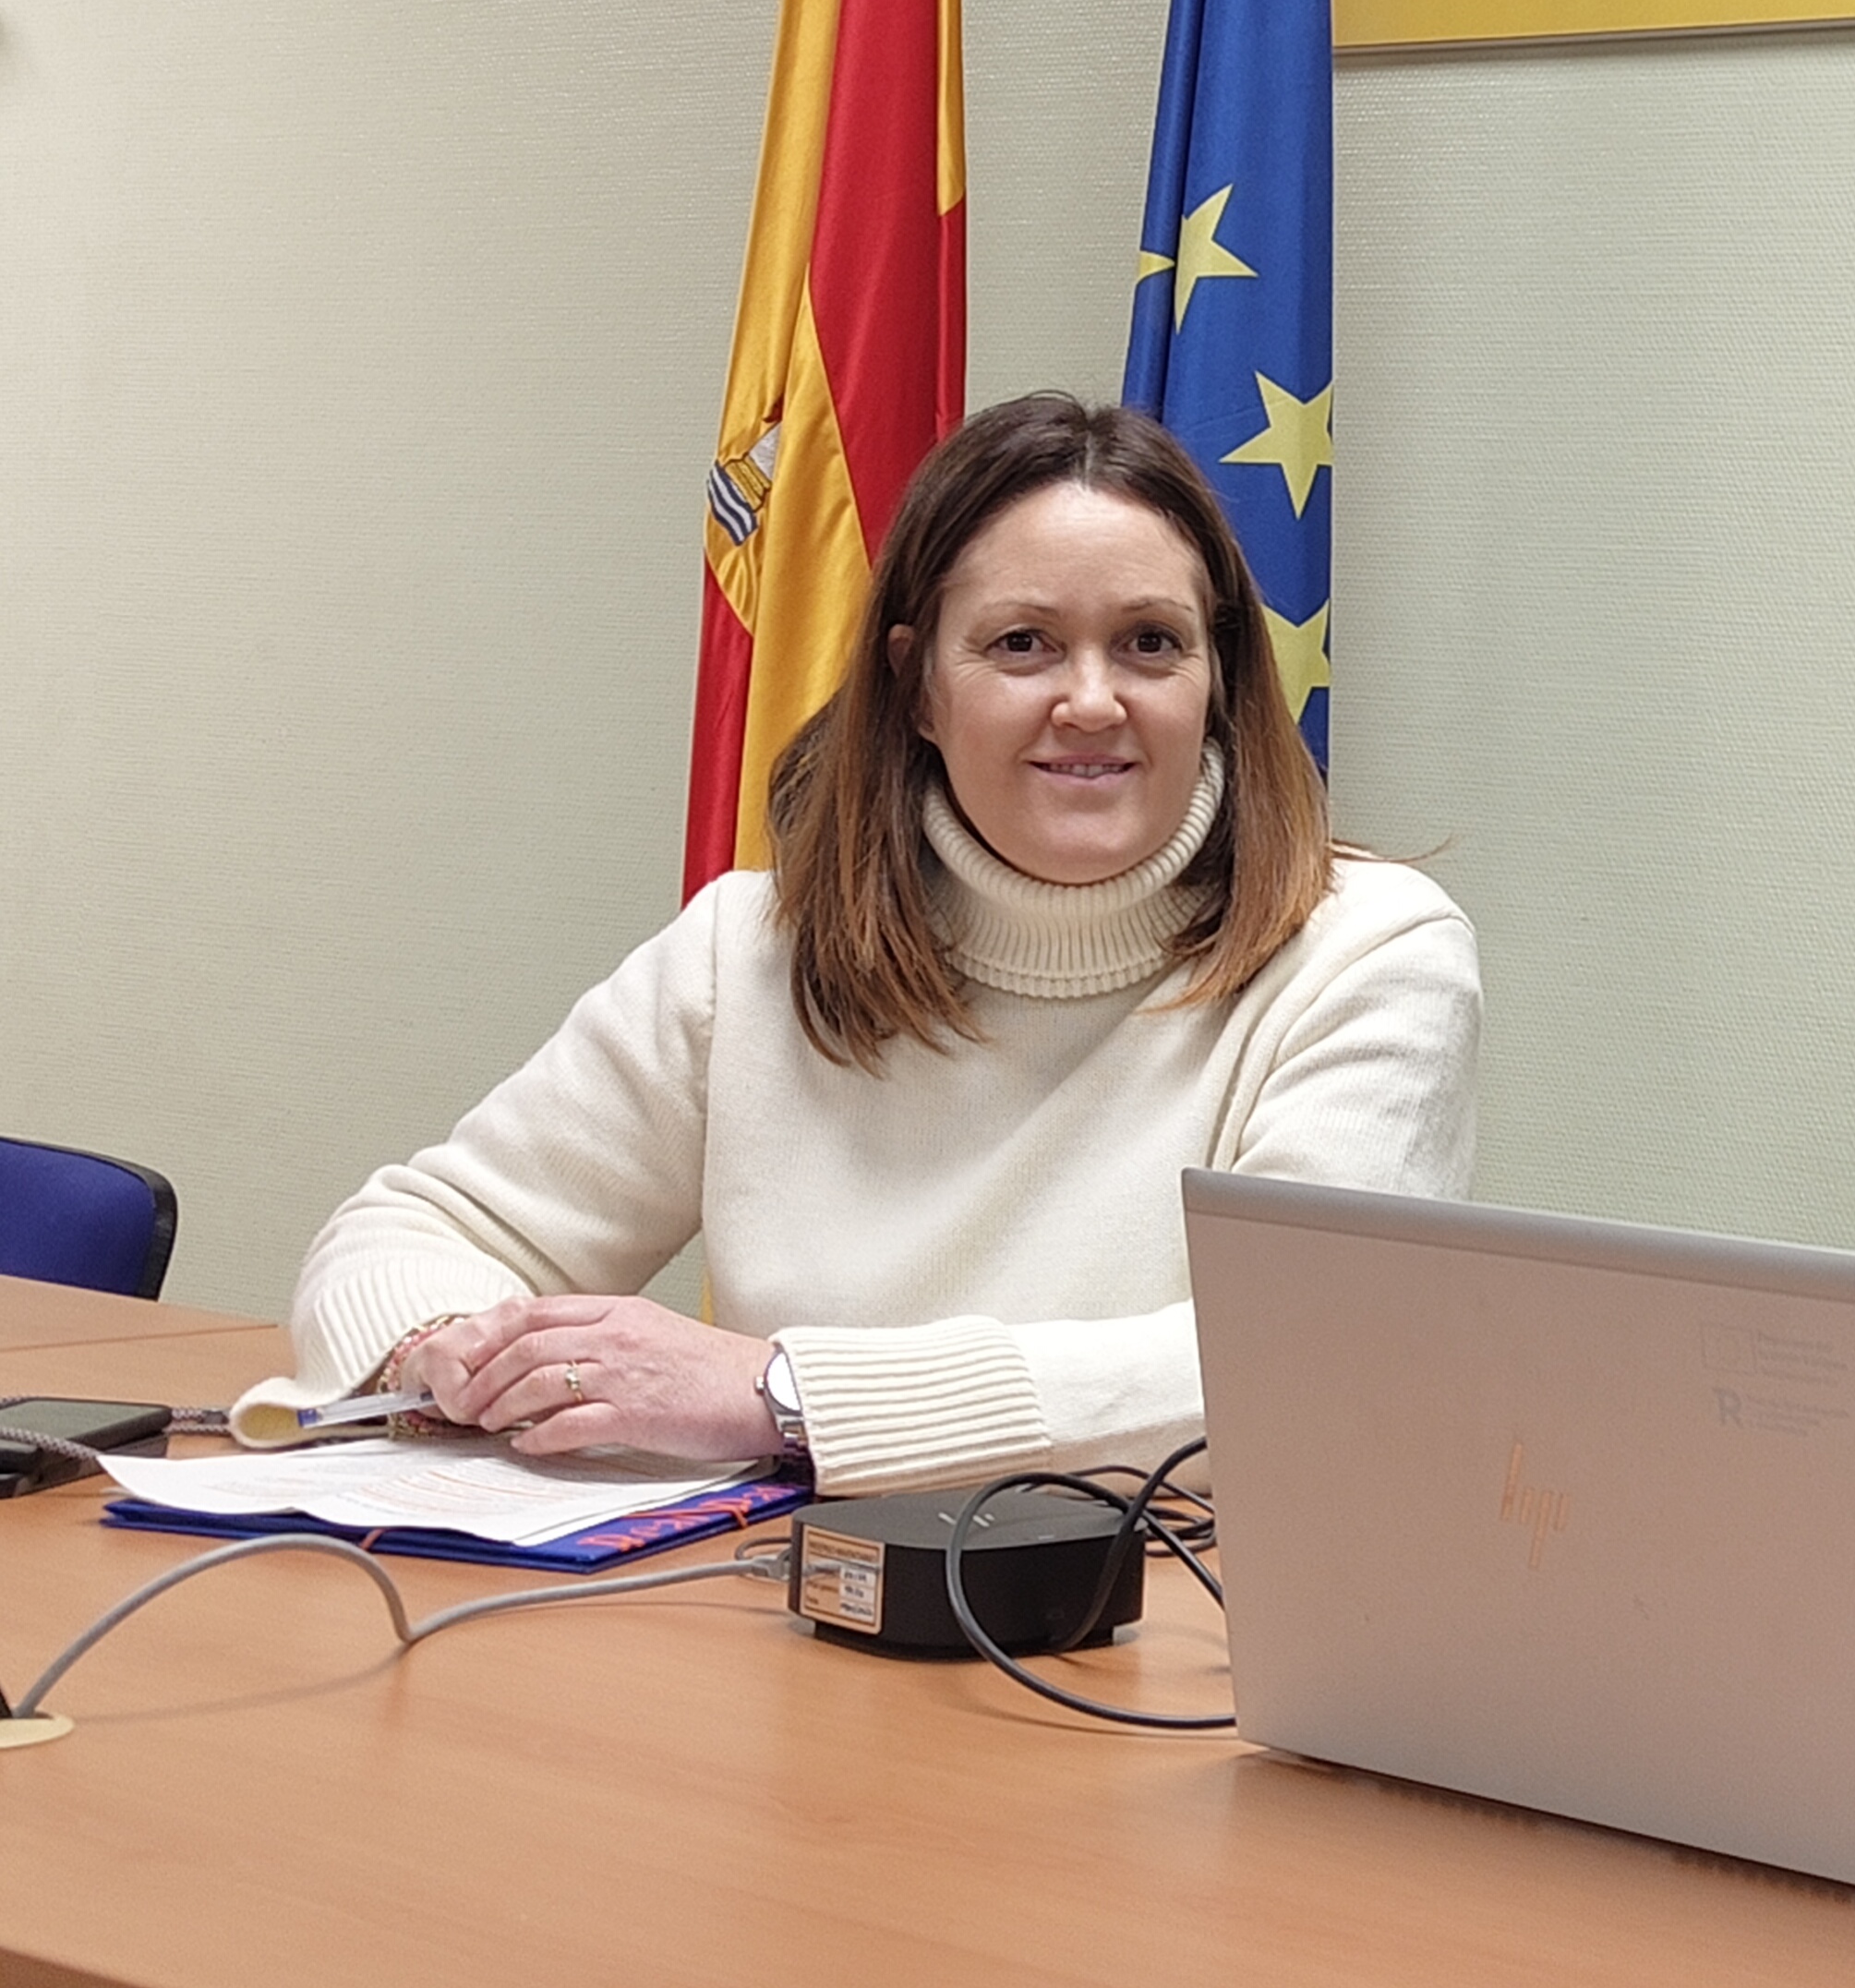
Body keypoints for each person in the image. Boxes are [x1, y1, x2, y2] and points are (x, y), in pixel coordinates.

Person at [259, 393, 1477, 1496]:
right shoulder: (751, 950)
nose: (1093, 701)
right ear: (917, 686)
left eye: (1151, 643)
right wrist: (446, 1352)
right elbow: (406, 1235)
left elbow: (1305, 1363)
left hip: (1144, 1630)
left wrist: (780, 1398)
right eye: (1023, 644)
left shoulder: (1367, 956)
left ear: (1218, 678)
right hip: (762, 1611)